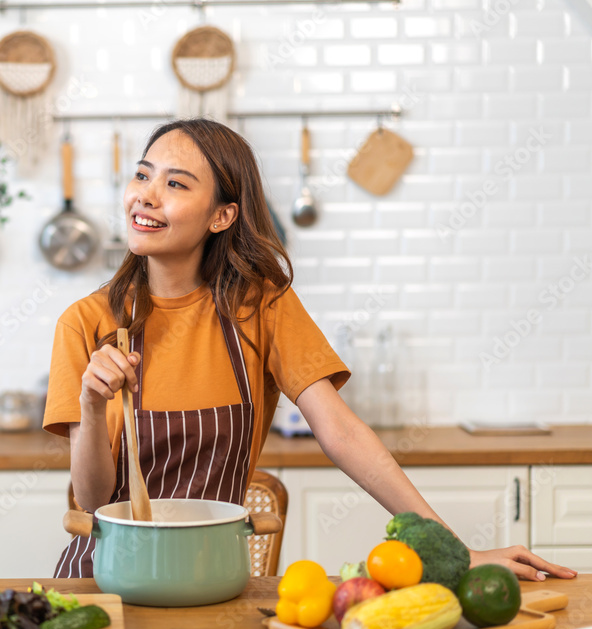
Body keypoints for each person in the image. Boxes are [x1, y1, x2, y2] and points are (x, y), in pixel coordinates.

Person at [43, 117, 576, 582]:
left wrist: (455, 553)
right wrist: (91, 404)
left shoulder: (261, 308)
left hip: (209, 576)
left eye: (175, 184)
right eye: (142, 175)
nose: (147, 195)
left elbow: (341, 432)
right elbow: (93, 500)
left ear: (222, 216)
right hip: (104, 577)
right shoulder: (87, 323)